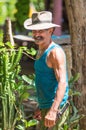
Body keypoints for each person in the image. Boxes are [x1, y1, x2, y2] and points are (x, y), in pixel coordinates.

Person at [24, 11, 69, 130]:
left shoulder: (54, 53)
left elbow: (62, 82)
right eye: (34, 31)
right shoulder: (41, 51)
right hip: (46, 107)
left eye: (40, 31)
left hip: (55, 109)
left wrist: (53, 110)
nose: (36, 34)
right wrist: (41, 106)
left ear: (50, 30)